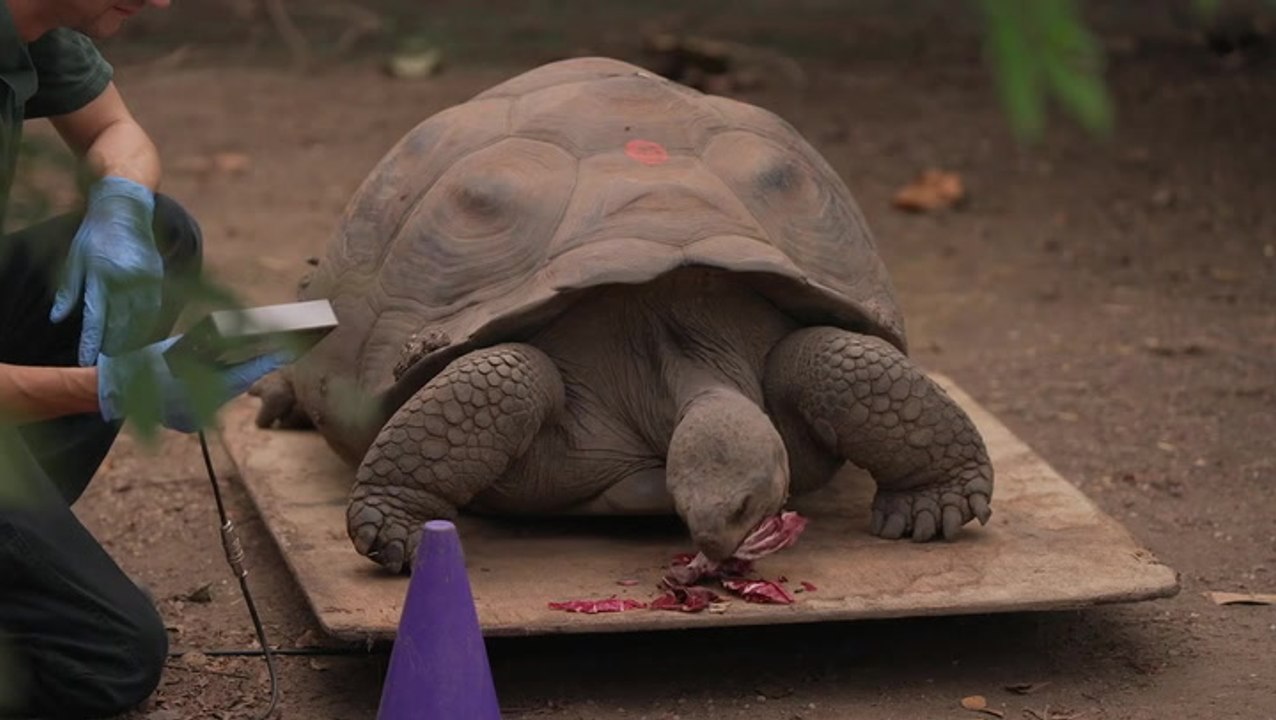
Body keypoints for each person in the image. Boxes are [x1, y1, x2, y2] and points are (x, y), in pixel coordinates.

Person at [0, 2, 288, 717]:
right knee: (108, 658)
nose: (162, 1)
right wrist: (112, 387)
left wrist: (121, 201)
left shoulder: (33, 27)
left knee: (161, 233)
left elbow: (113, 128)